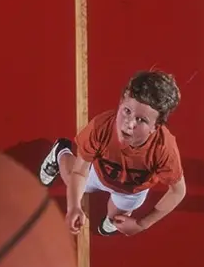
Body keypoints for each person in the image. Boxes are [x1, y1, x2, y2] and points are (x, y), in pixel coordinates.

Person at [38, 70, 187, 236]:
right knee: (71, 180)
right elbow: (79, 172)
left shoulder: (164, 149)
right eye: (127, 111)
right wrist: (73, 207)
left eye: (141, 120)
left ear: (155, 127)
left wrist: (142, 224)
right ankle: (60, 151)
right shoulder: (100, 128)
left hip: (131, 191)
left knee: (115, 219)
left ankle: (111, 219)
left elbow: (178, 191)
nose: (129, 124)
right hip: (98, 173)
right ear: (120, 102)